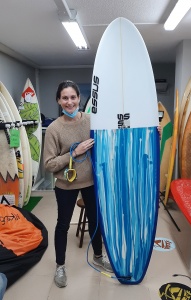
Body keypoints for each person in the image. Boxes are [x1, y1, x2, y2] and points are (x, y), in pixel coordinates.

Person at [43, 80, 113, 288]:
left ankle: (99, 257)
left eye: (73, 97)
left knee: (95, 221)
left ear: (79, 99)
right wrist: (73, 153)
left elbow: (115, 134)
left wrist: (150, 130)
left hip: (91, 182)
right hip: (65, 184)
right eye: (65, 98)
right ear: (59, 100)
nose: (69, 102)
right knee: (63, 225)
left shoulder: (92, 121)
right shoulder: (55, 128)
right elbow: (48, 164)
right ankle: (60, 266)